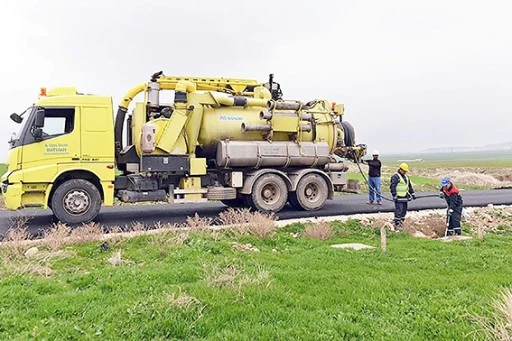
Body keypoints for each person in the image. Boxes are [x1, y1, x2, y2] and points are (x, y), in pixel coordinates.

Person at [390, 163, 416, 229]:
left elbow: (409, 186)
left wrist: (412, 193)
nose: (405, 172)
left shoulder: (406, 177)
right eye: (404, 171)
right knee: (399, 210)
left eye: (405, 171)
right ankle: (397, 224)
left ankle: (401, 222)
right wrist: (394, 195)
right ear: (400, 169)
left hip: (405, 197)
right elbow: (392, 186)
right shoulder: (395, 177)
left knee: (404, 210)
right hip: (398, 197)